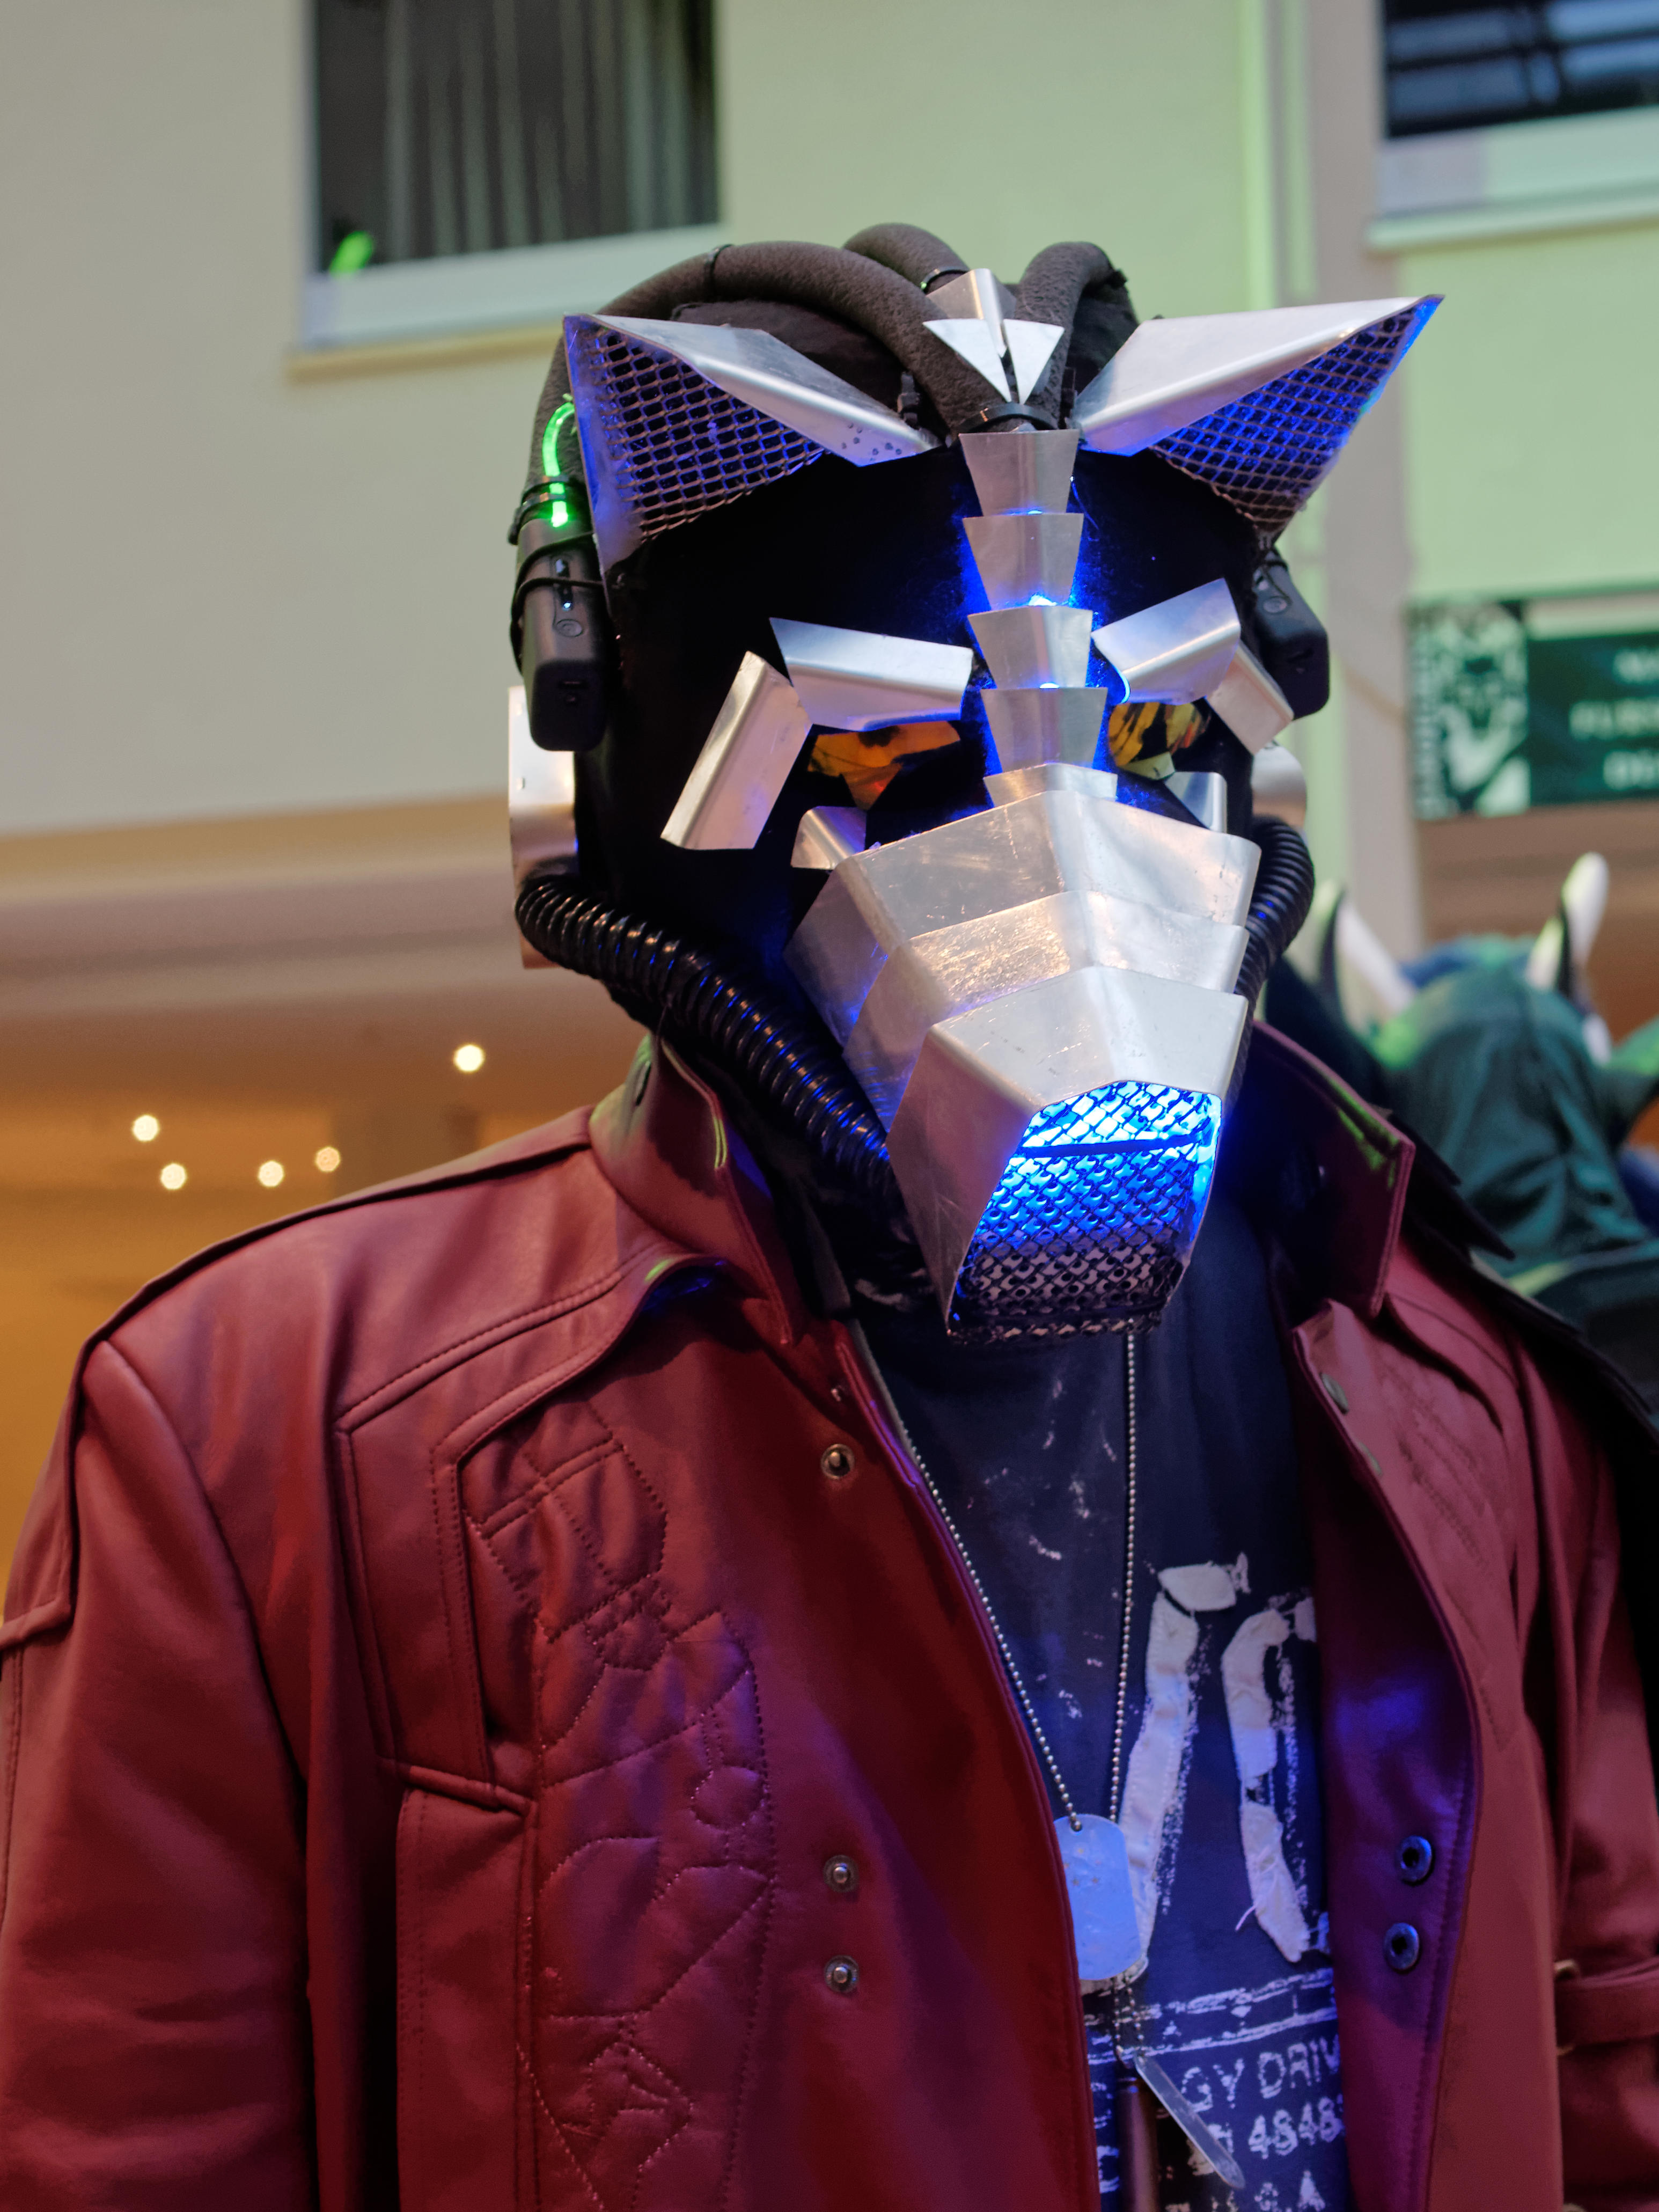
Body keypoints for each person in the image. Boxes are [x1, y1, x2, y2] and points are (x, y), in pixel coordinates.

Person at [4, 223, 1658, 2212]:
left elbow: (1605, 2070)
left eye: (1146, 743)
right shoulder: (265, 1436)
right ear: (588, 783)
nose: (1061, 873)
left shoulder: (1462, 1395)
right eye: (888, 760)